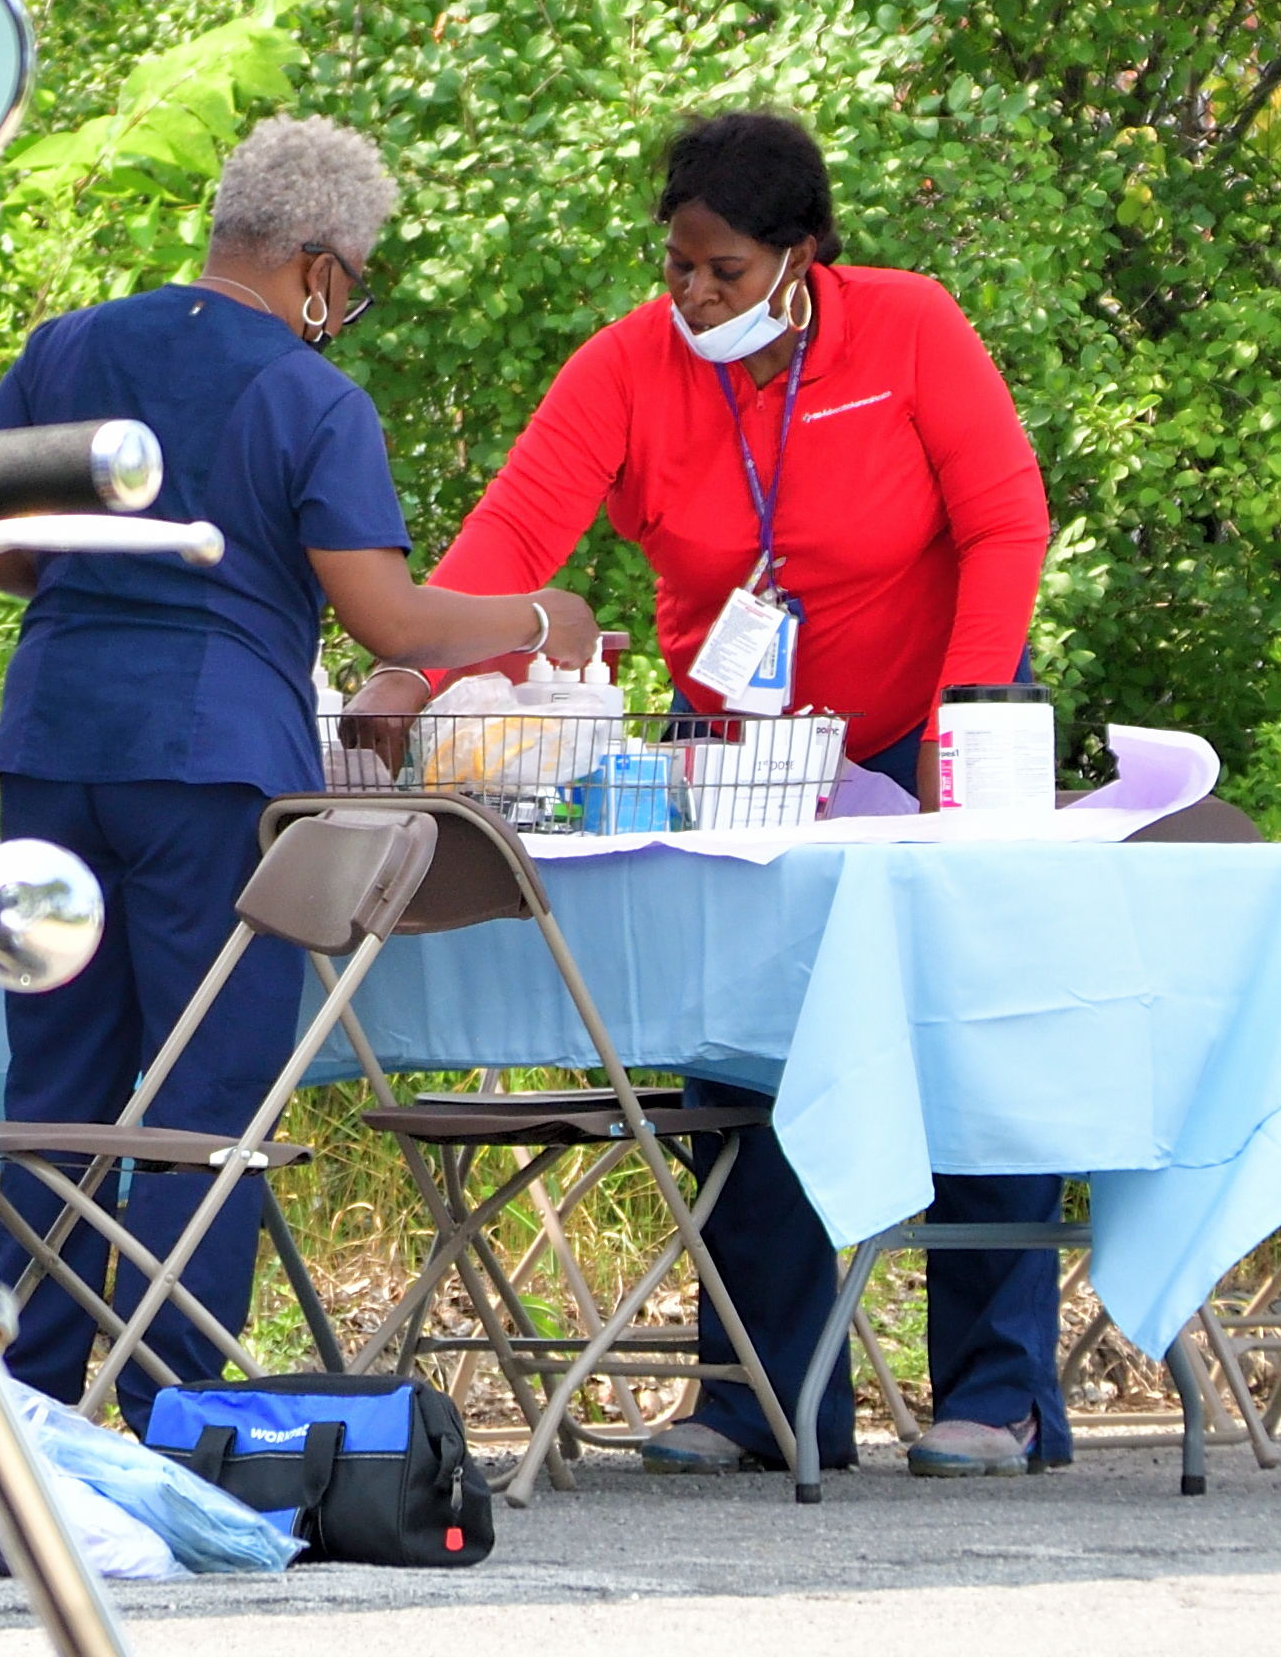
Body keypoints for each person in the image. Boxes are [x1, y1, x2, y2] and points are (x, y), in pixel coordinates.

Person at [427, 107, 1057, 1479]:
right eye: (678, 268)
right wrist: (418, 673)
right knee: (745, 1046)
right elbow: (513, 537)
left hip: (915, 734)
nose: (693, 295)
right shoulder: (630, 367)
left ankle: (995, 1389)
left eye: (721, 270)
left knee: (962, 1028)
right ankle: (758, 1394)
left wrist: (961, 728)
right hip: (745, 754)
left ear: (802, 254)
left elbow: (1007, 518)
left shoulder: (907, 329)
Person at [0, 116, 599, 1418]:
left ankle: (26, 1398)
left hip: (53, 742)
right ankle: (167, 1404)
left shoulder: (68, 348)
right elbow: (391, 621)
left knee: (58, 1083)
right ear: (315, 263)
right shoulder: (312, 398)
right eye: (349, 283)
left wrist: (79, 576)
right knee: (207, 1089)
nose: (344, 307)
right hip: (206, 764)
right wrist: (539, 617)